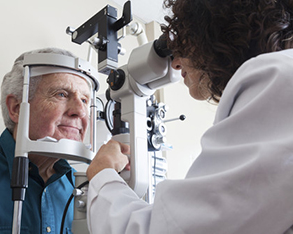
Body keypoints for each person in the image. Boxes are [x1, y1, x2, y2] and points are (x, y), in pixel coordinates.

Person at [86, 0, 293, 233]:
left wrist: (102, 175)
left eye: (183, 44)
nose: (174, 63)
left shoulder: (278, 77)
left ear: (214, 30)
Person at [0, 48, 95, 233]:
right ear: (16, 108)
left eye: (85, 100)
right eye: (61, 94)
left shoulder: (84, 189)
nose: (80, 110)